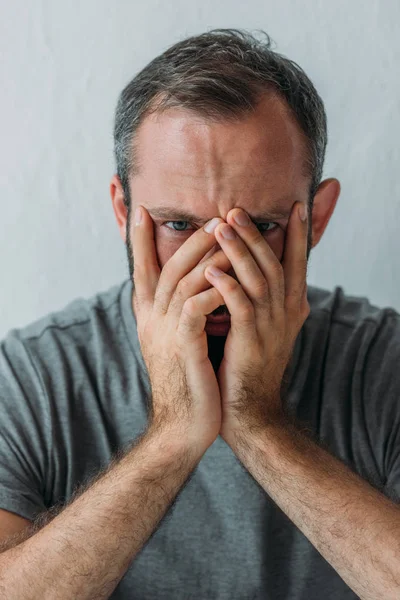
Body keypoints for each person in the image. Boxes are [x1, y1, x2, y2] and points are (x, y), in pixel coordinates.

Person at [0, 28, 399, 600]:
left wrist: (257, 422)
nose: (216, 273)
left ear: (318, 216)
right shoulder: (32, 378)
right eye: (179, 227)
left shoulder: (383, 364)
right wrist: (172, 437)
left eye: (260, 228)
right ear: (123, 212)